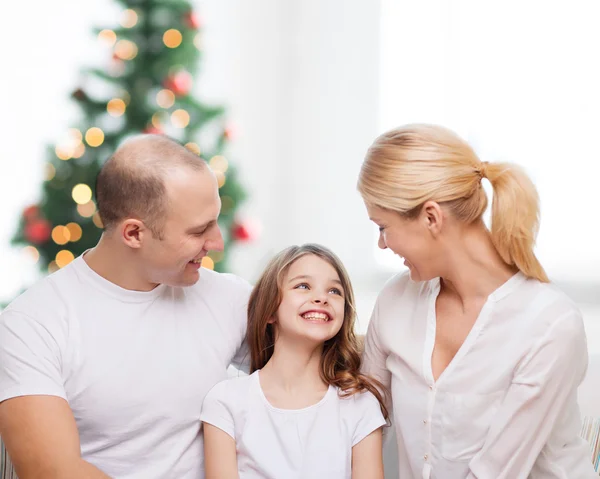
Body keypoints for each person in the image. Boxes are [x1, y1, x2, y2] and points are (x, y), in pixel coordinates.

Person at [0, 135, 251, 478]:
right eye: (199, 230)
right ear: (133, 234)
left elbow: (322, 369)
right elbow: (54, 471)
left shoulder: (229, 298)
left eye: (216, 221)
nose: (217, 243)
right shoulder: (32, 325)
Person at [357, 124, 597, 478]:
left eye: (382, 226)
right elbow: (362, 423)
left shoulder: (549, 325)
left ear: (431, 217)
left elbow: (495, 472)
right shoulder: (395, 300)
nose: (382, 244)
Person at [200, 244, 388, 479]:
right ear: (269, 311)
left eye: (334, 291)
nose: (321, 298)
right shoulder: (226, 402)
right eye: (303, 286)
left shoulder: (360, 404)